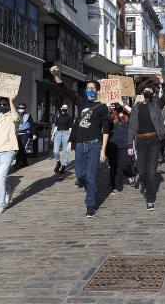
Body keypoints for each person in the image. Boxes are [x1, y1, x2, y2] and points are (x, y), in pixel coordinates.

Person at [50, 66, 110, 218]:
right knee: (80, 175)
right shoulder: (82, 103)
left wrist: (103, 150)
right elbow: (66, 90)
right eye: (88, 88)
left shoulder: (102, 107)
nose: (89, 90)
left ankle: (90, 205)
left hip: (94, 145)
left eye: (92, 88)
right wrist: (55, 75)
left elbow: (106, 130)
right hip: (80, 145)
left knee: (90, 176)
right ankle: (89, 187)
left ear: (97, 91)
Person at [127, 74, 165, 211]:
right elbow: (132, 127)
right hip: (140, 141)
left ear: (153, 93)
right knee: (142, 172)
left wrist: (162, 81)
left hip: (153, 141)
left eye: (151, 90)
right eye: (146, 90)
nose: (148, 92)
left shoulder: (156, 105)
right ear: (142, 92)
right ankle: (147, 185)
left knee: (151, 173)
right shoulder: (136, 108)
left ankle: (150, 198)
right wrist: (129, 145)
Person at [107, 104, 134, 193]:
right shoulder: (112, 116)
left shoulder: (127, 116)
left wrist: (123, 104)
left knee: (125, 165)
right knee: (115, 166)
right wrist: (108, 107)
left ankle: (130, 174)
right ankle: (115, 185)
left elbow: (134, 112)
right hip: (113, 145)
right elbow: (107, 121)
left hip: (125, 145)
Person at [51, 104, 73, 179]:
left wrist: (70, 136)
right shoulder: (58, 116)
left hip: (66, 133)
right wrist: (53, 135)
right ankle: (58, 162)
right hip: (58, 133)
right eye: (63, 107)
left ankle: (64, 166)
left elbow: (70, 127)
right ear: (61, 108)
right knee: (55, 151)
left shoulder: (69, 117)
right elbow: (56, 126)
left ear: (68, 109)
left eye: (66, 108)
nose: (65, 109)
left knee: (65, 151)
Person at [14, 103, 37, 169]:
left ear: (24, 109)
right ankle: (25, 162)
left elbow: (32, 125)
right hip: (17, 134)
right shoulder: (15, 115)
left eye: (22, 108)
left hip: (25, 133)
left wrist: (34, 134)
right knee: (21, 148)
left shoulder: (28, 115)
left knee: (21, 148)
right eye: (19, 108)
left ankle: (17, 163)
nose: (21, 109)